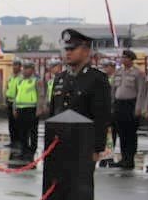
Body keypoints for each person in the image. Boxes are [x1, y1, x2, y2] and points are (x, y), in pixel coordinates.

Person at [48, 29, 113, 159]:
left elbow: (101, 117)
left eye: (72, 49)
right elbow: (54, 111)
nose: (68, 53)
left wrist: (97, 148)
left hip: (84, 144)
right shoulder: (60, 78)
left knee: (80, 179)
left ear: (86, 51)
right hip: (60, 142)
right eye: (66, 49)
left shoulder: (97, 79)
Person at [109, 49, 148, 169]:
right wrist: (112, 104)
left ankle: (130, 159)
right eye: (122, 57)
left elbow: (141, 91)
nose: (123, 60)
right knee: (121, 132)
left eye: (126, 58)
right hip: (119, 104)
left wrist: (139, 108)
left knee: (130, 133)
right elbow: (114, 89)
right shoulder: (119, 72)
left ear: (131, 59)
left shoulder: (138, 73)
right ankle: (123, 158)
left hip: (131, 104)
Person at [8, 60, 41, 159]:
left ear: (32, 69)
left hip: (32, 109)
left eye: (28, 68)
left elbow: (41, 95)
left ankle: (32, 150)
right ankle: (23, 150)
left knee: (33, 131)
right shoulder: (20, 81)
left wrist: (39, 109)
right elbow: (16, 96)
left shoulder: (36, 81)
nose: (25, 70)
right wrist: (14, 109)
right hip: (20, 109)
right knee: (22, 131)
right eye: (24, 68)